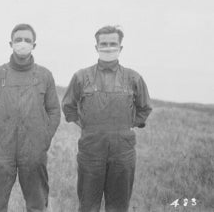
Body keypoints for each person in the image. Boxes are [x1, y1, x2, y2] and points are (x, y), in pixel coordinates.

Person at [62, 25, 152, 212]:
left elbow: (144, 108)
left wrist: (128, 125)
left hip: (123, 152)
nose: (108, 47)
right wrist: (86, 125)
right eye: (104, 44)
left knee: (118, 207)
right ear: (96, 47)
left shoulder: (134, 78)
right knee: (88, 206)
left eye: (113, 43)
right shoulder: (81, 77)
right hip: (90, 151)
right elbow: (69, 107)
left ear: (120, 47)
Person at [0, 23, 61, 212]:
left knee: (37, 205)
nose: (22, 43)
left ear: (34, 45)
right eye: (18, 40)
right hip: (1, 149)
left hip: (33, 150)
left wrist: (44, 139)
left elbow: (54, 111)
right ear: (10, 43)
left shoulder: (45, 75)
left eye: (27, 40)